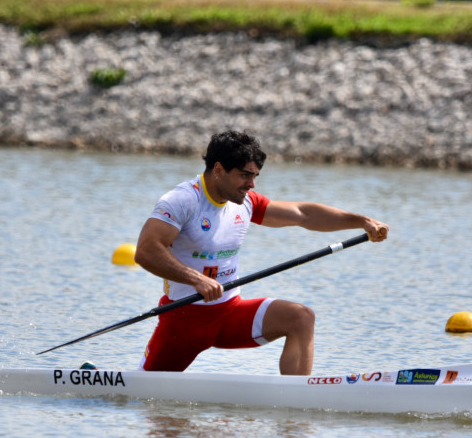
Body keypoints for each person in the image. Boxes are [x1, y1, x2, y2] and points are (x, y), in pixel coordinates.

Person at [134, 130, 389, 376]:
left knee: (300, 317)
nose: (252, 184)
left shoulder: (246, 202)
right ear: (219, 170)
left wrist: (362, 221)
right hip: (183, 321)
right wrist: (196, 279)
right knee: (144, 400)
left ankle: (296, 402)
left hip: (229, 314)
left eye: (255, 176)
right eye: (245, 175)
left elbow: (304, 214)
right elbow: (146, 251)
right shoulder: (181, 201)